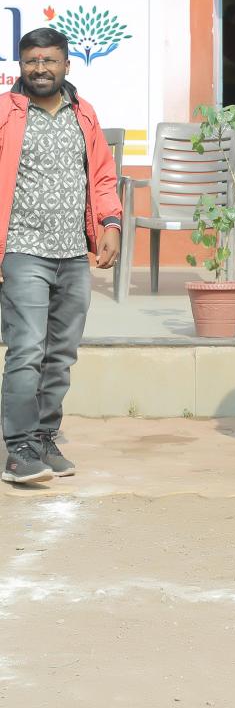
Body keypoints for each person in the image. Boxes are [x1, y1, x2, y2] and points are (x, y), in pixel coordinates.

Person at [0, 27, 121, 485]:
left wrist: (110, 225)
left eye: (49, 60)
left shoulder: (83, 113)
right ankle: (19, 449)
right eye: (32, 60)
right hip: (22, 248)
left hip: (72, 253)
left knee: (61, 354)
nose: (40, 68)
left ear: (67, 65)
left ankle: (44, 436)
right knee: (27, 348)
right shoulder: (6, 113)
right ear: (20, 65)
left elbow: (103, 176)